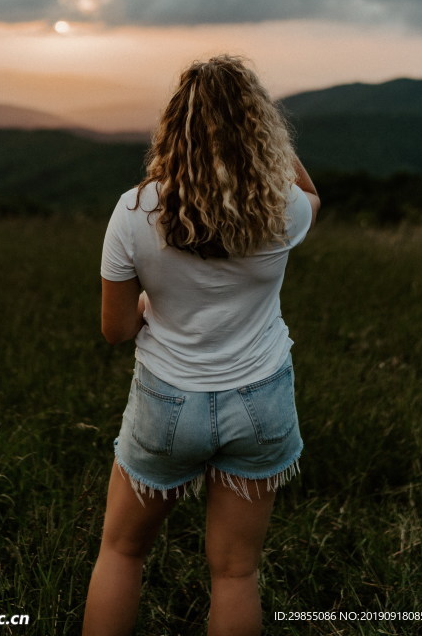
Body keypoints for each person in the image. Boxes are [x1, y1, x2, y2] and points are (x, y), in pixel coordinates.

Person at [82, 55, 320, 636]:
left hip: (168, 405)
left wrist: (147, 306)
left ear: (175, 127)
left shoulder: (134, 211)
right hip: (260, 401)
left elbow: (115, 331)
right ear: (258, 128)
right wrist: (261, 142)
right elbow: (311, 193)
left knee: (121, 552)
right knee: (236, 573)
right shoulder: (281, 209)